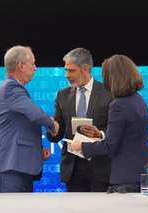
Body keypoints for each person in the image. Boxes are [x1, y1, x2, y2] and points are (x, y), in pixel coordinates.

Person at [71, 54, 148, 192]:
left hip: (127, 176)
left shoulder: (118, 105)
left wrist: (82, 147)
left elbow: (110, 145)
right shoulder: (139, 100)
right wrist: (102, 135)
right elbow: (128, 135)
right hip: (144, 171)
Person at [0, 46, 59, 193]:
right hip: (8, 166)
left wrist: (37, 148)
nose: (36, 68)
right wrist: (52, 124)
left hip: (17, 166)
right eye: (32, 63)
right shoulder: (11, 87)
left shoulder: (13, 88)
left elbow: (19, 125)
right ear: (21, 65)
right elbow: (35, 113)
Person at [46, 48, 113, 192]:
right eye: (66, 70)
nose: (66, 75)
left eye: (71, 71)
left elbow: (115, 130)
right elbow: (58, 133)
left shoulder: (109, 92)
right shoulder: (62, 95)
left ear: (85, 69)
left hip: (101, 165)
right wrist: (52, 129)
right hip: (73, 168)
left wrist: (99, 134)